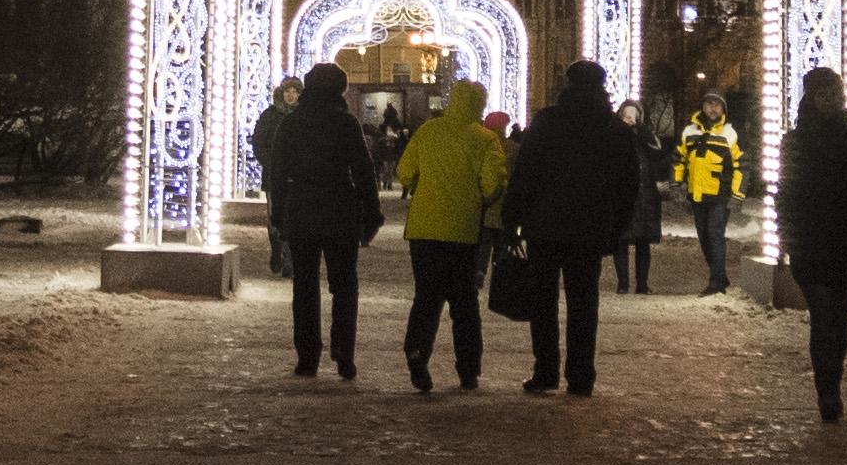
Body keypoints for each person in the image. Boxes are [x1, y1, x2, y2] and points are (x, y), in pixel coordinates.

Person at [504, 60, 644, 395]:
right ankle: (581, 376)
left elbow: (526, 173)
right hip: (589, 229)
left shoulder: (547, 121)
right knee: (584, 302)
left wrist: (512, 220)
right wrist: (615, 229)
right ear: (602, 86)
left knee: (544, 301)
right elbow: (628, 186)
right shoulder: (614, 129)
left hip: (545, 225)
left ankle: (546, 370)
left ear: (567, 84)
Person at [774, 64, 847, 422]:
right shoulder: (796, 141)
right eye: (822, 92)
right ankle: (827, 391)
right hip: (812, 240)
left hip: (846, 240)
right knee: (823, 315)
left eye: (833, 92)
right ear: (811, 96)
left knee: (836, 319)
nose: (829, 99)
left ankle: (832, 382)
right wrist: (787, 234)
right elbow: (787, 193)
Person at [390, 74, 509, 393]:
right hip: (463, 231)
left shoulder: (429, 131)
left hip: (424, 229)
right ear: (479, 105)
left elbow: (404, 172)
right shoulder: (485, 139)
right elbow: (491, 185)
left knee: (426, 297)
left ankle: (416, 352)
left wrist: (421, 187)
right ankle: (468, 369)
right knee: (464, 303)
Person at [262, 62, 380, 380]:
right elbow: (364, 170)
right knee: (344, 287)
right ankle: (344, 354)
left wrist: (279, 213)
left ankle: (307, 355)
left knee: (305, 286)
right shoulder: (346, 123)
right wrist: (372, 213)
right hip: (340, 210)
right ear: (340, 89)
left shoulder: (292, 123)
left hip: (302, 209)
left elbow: (277, 169)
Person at [674, 90, 743, 292]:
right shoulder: (689, 132)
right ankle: (719, 275)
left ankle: (716, 282)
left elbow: (741, 166)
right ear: (702, 106)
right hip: (697, 193)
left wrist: (738, 194)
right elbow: (679, 159)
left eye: (717, 104)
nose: (713, 108)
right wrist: (676, 183)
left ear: (723, 109)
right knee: (704, 237)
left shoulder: (730, 133)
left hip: (720, 194)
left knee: (715, 234)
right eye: (709, 103)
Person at [617, 96, 669, 293]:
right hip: (622, 194)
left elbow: (659, 152)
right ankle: (622, 284)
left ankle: (642, 284)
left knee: (643, 241)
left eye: (634, 115)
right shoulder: (614, 135)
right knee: (620, 240)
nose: (630, 118)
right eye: (627, 114)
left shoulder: (645, 136)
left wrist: (644, 134)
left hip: (645, 194)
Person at [259, 74, 302, 280]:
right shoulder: (270, 116)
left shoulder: (306, 116)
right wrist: (272, 164)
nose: (291, 96)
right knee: (274, 219)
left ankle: (289, 260)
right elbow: (259, 143)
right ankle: (277, 247)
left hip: (298, 178)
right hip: (274, 177)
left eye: (295, 92)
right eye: (287, 92)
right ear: (281, 93)